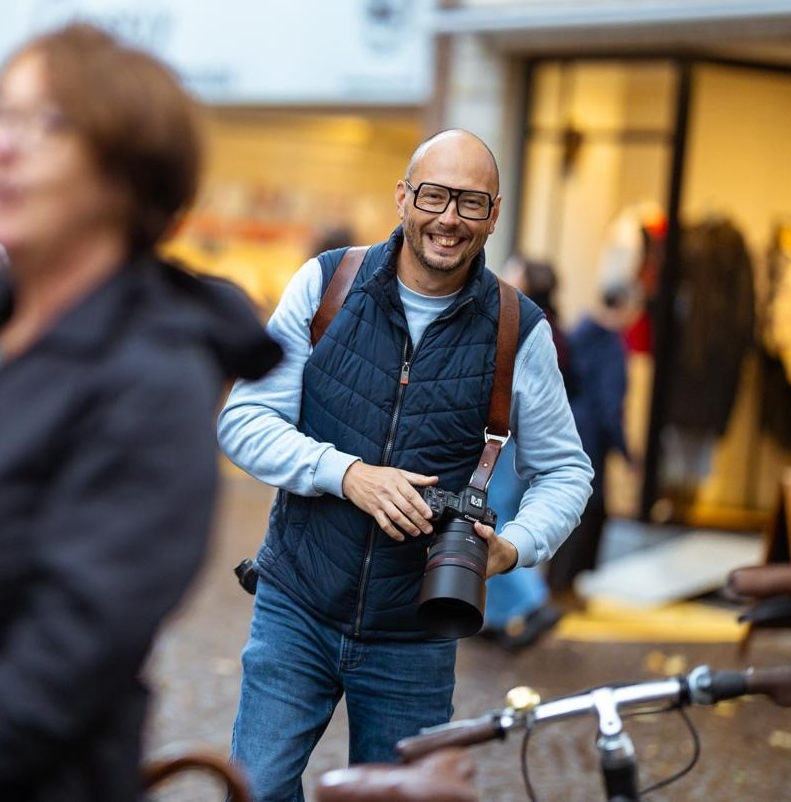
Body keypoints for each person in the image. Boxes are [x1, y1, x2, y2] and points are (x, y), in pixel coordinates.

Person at [218, 128, 593, 800]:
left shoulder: (517, 327)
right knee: (256, 789)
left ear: (494, 213)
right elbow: (242, 421)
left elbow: (566, 472)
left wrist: (512, 549)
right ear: (402, 197)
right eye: (435, 196)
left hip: (416, 636)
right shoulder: (328, 283)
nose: (449, 218)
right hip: (295, 604)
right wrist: (347, 474)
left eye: (470, 203)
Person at [0, 24, 280, 802]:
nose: (5, 146)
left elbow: (60, 667)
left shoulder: (152, 378)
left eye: (45, 124)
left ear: (127, 176)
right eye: (3, 116)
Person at [482, 256, 568, 650]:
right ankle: (497, 618)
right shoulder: (541, 324)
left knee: (492, 523)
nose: (505, 275)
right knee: (495, 519)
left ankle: (533, 604)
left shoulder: (529, 328)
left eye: (516, 272)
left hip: (508, 439)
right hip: (508, 437)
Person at [547, 284, 636, 594]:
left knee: (569, 504)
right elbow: (610, 405)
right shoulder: (611, 346)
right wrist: (627, 452)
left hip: (566, 426)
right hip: (592, 437)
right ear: (625, 306)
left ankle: (554, 581)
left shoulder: (577, 332)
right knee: (589, 512)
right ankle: (563, 586)